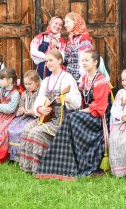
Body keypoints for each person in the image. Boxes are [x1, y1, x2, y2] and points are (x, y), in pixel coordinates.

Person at [36, 49, 110, 180]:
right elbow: (80, 99)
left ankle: (77, 162)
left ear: (95, 62)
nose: (84, 63)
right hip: (87, 114)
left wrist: (80, 111)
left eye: (87, 60)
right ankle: (66, 162)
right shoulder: (85, 79)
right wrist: (68, 99)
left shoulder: (101, 80)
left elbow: (100, 107)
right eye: (83, 60)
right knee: (71, 118)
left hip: (98, 117)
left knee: (71, 117)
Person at [18, 49, 81, 174]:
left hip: (61, 119)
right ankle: (27, 167)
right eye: (47, 61)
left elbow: (77, 102)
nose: (48, 63)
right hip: (46, 117)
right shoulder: (46, 80)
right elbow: (40, 99)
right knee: (26, 130)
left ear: (59, 61)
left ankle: (39, 168)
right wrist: (40, 109)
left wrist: (67, 99)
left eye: (51, 60)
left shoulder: (67, 78)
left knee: (35, 133)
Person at [7, 69, 41, 163]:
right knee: (11, 128)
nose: (27, 86)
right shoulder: (25, 94)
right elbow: (21, 105)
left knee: (21, 131)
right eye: (26, 84)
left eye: (30, 84)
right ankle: (13, 156)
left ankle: (23, 155)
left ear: (37, 82)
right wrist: (21, 110)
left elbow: (42, 108)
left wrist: (33, 112)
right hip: (25, 117)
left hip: (35, 117)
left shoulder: (40, 94)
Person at [61, 12, 94, 82]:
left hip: (80, 78)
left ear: (75, 22)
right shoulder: (72, 38)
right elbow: (67, 58)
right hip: (71, 75)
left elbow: (85, 59)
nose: (65, 25)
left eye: (67, 22)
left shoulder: (84, 38)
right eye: (65, 22)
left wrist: (82, 79)